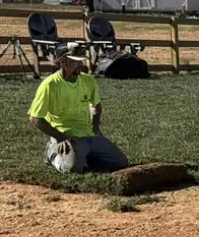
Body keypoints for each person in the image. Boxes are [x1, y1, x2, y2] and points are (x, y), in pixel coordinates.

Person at [29, 42, 129, 174]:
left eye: (81, 60)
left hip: (89, 135)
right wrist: (60, 137)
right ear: (62, 61)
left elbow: (96, 106)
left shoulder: (88, 81)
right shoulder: (50, 85)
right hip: (67, 136)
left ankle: (83, 156)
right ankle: (52, 152)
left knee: (120, 162)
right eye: (75, 61)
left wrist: (95, 129)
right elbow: (35, 118)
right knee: (72, 169)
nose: (81, 65)